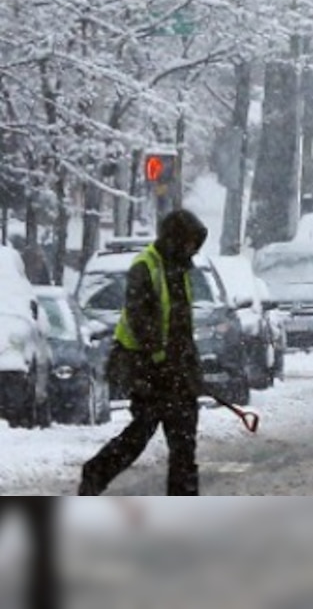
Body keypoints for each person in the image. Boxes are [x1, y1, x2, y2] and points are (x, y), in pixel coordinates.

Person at [78, 209, 209, 496]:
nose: (192, 249)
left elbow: (181, 325)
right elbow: (141, 321)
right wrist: (162, 359)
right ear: (176, 238)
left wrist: (190, 369)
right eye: (189, 242)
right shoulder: (146, 266)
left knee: (184, 444)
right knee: (139, 434)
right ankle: (96, 472)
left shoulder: (182, 269)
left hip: (176, 373)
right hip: (146, 369)